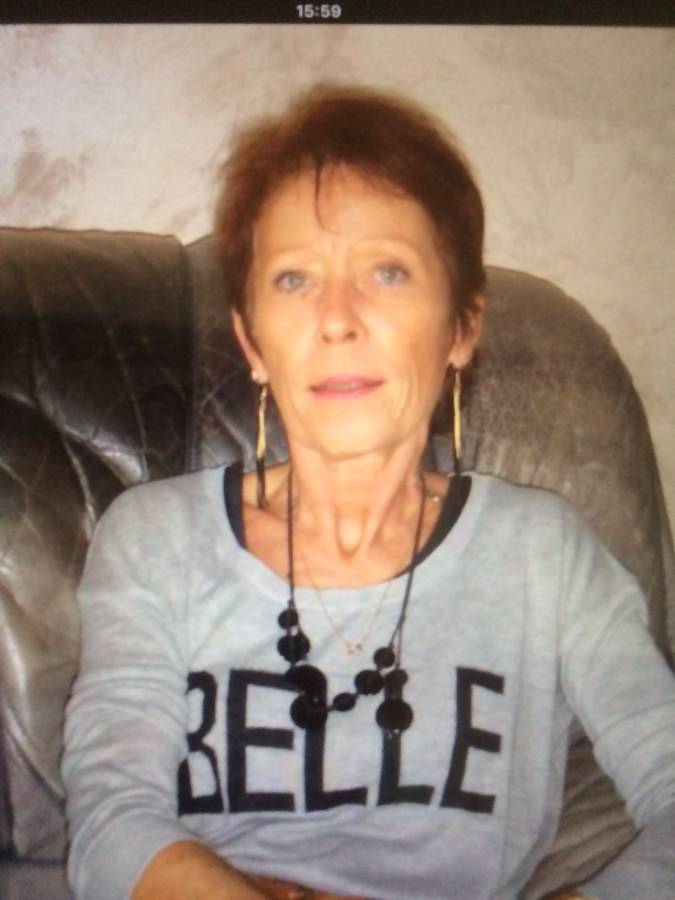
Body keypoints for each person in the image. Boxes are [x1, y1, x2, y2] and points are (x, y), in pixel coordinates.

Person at [61, 85, 675, 900]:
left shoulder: (545, 554)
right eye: (293, 280)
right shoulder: (155, 539)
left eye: (387, 272)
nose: (337, 319)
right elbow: (110, 822)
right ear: (251, 341)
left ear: (461, 327)